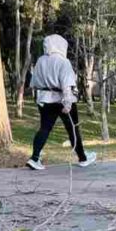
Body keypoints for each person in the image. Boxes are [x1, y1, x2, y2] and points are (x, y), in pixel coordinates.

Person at [27, 34, 96, 170]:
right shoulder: (63, 62)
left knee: (44, 128)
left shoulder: (40, 61)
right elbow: (66, 84)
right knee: (73, 129)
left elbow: (34, 83)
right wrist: (68, 103)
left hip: (45, 100)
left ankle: (34, 158)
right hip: (62, 99)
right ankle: (83, 158)